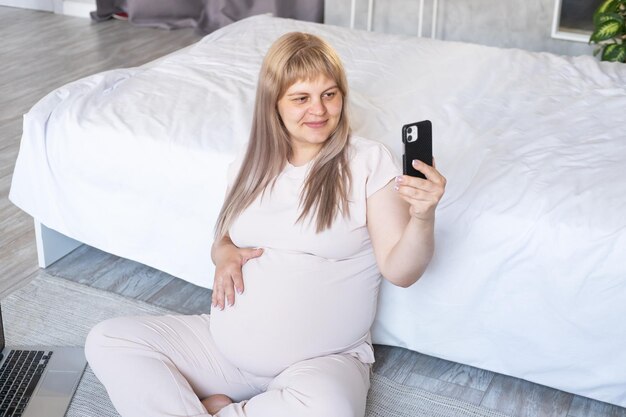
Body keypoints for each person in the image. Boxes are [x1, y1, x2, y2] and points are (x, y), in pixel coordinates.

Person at [85, 31, 446, 417]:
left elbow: (400, 271)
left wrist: (423, 216)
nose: (319, 110)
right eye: (301, 98)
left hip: (321, 363)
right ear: (273, 103)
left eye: (330, 94)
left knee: (330, 411)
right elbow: (224, 235)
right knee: (108, 339)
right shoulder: (248, 163)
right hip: (223, 352)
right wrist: (222, 252)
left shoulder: (368, 161)